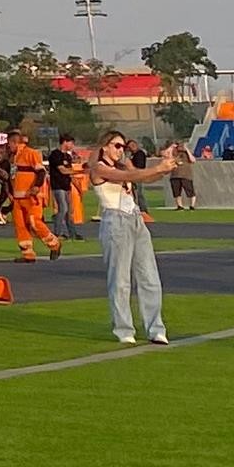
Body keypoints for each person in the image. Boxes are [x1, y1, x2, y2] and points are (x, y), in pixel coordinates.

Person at [89, 134, 170, 346]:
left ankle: (156, 328)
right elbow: (130, 176)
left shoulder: (123, 168)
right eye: (116, 146)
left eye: (123, 147)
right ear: (104, 148)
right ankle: (124, 329)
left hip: (134, 218)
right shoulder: (99, 168)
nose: (120, 150)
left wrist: (164, 167)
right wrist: (158, 169)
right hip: (115, 220)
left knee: (149, 277)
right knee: (120, 280)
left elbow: (142, 177)